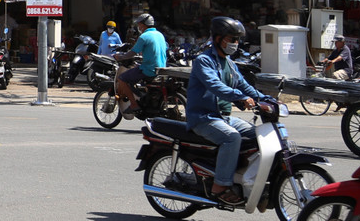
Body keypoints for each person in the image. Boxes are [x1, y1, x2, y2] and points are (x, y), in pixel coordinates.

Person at [186, 16, 272, 206]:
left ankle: (239, 175)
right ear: (218, 38)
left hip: (223, 117)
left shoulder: (230, 64)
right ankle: (220, 186)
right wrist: (239, 97)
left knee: (258, 135)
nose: (235, 43)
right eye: (232, 39)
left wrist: (267, 99)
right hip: (203, 117)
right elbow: (214, 85)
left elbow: (244, 86)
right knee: (232, 138)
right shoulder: (204, 61)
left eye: (237, 39)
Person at [115, 13, 167, 116]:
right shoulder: (160, 35)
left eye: (139, 25)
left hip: (149, 69)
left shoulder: (144, 36)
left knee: (122, 78)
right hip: (161, 68)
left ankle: (134, 104)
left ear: (143, 25)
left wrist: (121, 57)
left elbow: (132, 53)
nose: (139, 27)